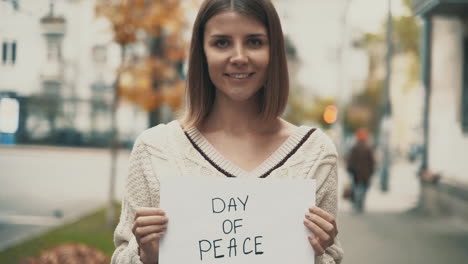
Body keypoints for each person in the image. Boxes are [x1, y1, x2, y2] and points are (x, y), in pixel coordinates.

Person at [111, 0, 344, 263]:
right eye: (221, 42)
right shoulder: (155, 149)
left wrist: (319, 253)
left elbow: (331, 258)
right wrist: (148, 255)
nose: (239, 57)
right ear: (202, 52)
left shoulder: (316, 154)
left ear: (274, 51)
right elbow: (122, 255)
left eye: (254, 42)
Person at [346, 128, 375, 213]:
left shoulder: (355, 148)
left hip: (356, 174)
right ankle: (360, 205)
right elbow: (372, 162)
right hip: (365, 174)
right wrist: (371, 172)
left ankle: (357, 205)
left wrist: (350, 170)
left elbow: (350, 161)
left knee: (356, 189)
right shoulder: (368, 148)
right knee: (363, 190)